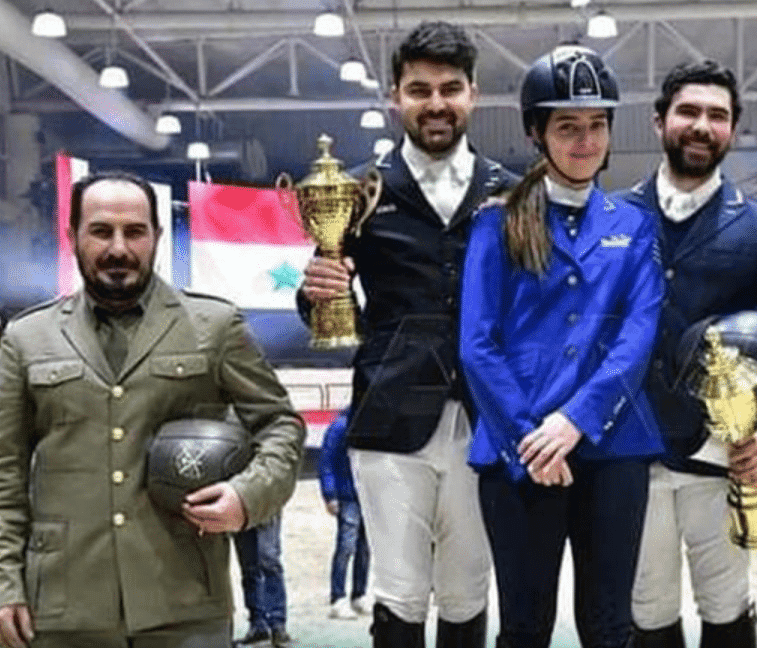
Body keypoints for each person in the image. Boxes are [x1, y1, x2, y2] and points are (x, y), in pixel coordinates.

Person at [0, 171, 305, 648]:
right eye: (101, 231)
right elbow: (6, 471)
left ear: (157, 237)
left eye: (135, 231)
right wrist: (5, 584)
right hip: (62, 605)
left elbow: (279, 425)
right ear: (72, 236)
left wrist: (247, 496)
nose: (119, 248)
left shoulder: (213, 326)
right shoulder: (26, 338)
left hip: (185, 600)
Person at [297, 21, 517, 648]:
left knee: (468, 593)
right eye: (419, 90)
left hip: (486, 418)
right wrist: (318, 292)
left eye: (450, 89)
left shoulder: (511, 192)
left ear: (473, 94)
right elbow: (323, 305)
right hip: (390, 415)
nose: (436, 103)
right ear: (395, 96)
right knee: (399, 596)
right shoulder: (357, 190)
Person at [614, 60, 757, 648]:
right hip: (628, 452)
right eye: (688, 112)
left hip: (720, 457)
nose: (701, 126)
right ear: (660, 121)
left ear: (733, 130)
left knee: (726, 607)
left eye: (717, 116)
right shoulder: (610, 218)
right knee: (647, 611)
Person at [460, 45, 665, 648]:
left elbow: (637, 337)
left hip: (614, 445)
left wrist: (575, 420)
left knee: (611, 627)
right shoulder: (496, 225)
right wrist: (531, 438)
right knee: (524, 628)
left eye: (598, 124)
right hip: (518, 449)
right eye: (568, 126)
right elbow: (477, 344)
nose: (586, 141)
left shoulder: (635, 225)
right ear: (536, 132)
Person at [318, 409, 372, 620]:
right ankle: (338, 597)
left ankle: (359, 593)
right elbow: (327, 461)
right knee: (346, 546)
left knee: (364, 548)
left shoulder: (367, 423)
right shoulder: (341, 426)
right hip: (347, 495)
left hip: (366, 494)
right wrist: (330, 494)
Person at [232, 514, 292, 647]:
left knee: (269, 560)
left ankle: (277, 623)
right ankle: (258, 625)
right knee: (248, 565)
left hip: (266, 508)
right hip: (240, 508)